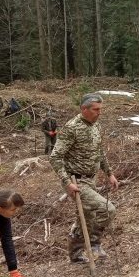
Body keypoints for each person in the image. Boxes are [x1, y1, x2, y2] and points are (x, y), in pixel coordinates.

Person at [50, 93, 119, 263]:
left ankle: (75, 254)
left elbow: (100, 152)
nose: (99, 113)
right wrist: (67, 183)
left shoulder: (96, 126)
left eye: (100, 109)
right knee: (108, 209)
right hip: (77, 181)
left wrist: (109, 173)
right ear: (84, 109)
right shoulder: (71, 128)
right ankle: (94, 244)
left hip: (91, 179)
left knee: (87, 218)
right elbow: (55, 157)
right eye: (95, 109)